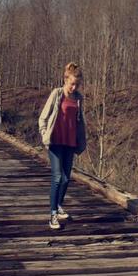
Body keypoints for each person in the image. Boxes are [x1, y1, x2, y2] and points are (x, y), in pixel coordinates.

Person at [38, 62, 87, 229]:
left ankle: (58, 205)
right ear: (65, 80)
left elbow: (79, 122)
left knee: (66, 178)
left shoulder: (79, 99)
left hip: (70, 142)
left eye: (77, 84)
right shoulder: (57, 94)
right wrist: (45, 135)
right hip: (56, 141)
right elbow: (43, 118)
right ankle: (52, 214)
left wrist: (81, 140)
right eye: (72, 83)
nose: (74, 87)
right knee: (57, 177)